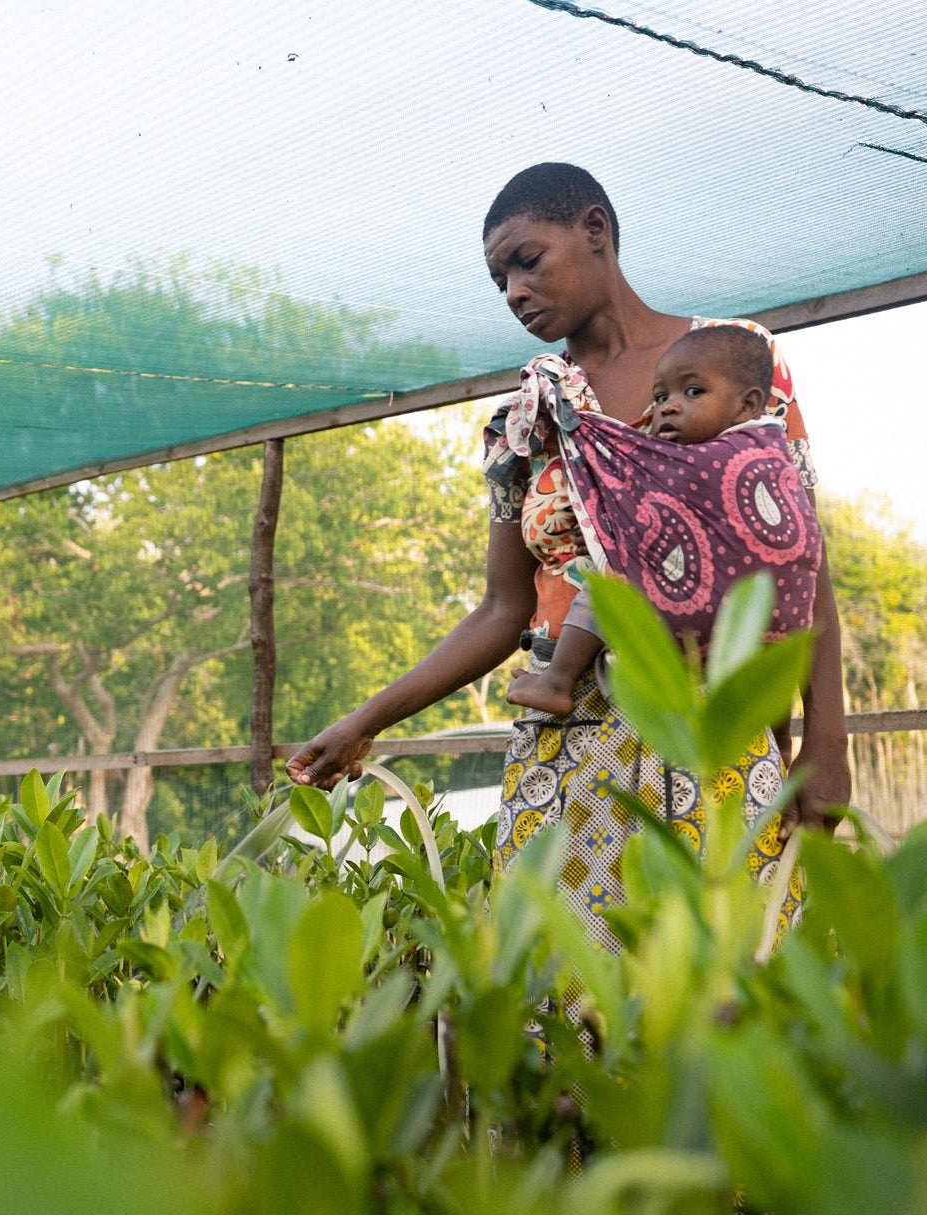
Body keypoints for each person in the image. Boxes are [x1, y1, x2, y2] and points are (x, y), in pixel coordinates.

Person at [286, 162, 850, 949]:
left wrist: (825, 744)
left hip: (714, 731)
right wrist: (366, 719)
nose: (514, 291)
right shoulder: (528, 416)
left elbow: (800, 558)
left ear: (595, 230)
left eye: (526, 259)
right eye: (498, 281)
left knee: (722, 1003)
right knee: (556, 1009)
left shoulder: (733, 365)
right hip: (567, 743)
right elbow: (501, 609)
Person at [505, 322, 792, 715]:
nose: (669, 406)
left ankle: (558, 681)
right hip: (722, 648)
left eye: (693, 392)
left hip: (706, 627)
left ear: (747, 404)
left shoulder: (728, 459)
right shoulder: (766, 450)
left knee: (607, 589)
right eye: (660, 398)